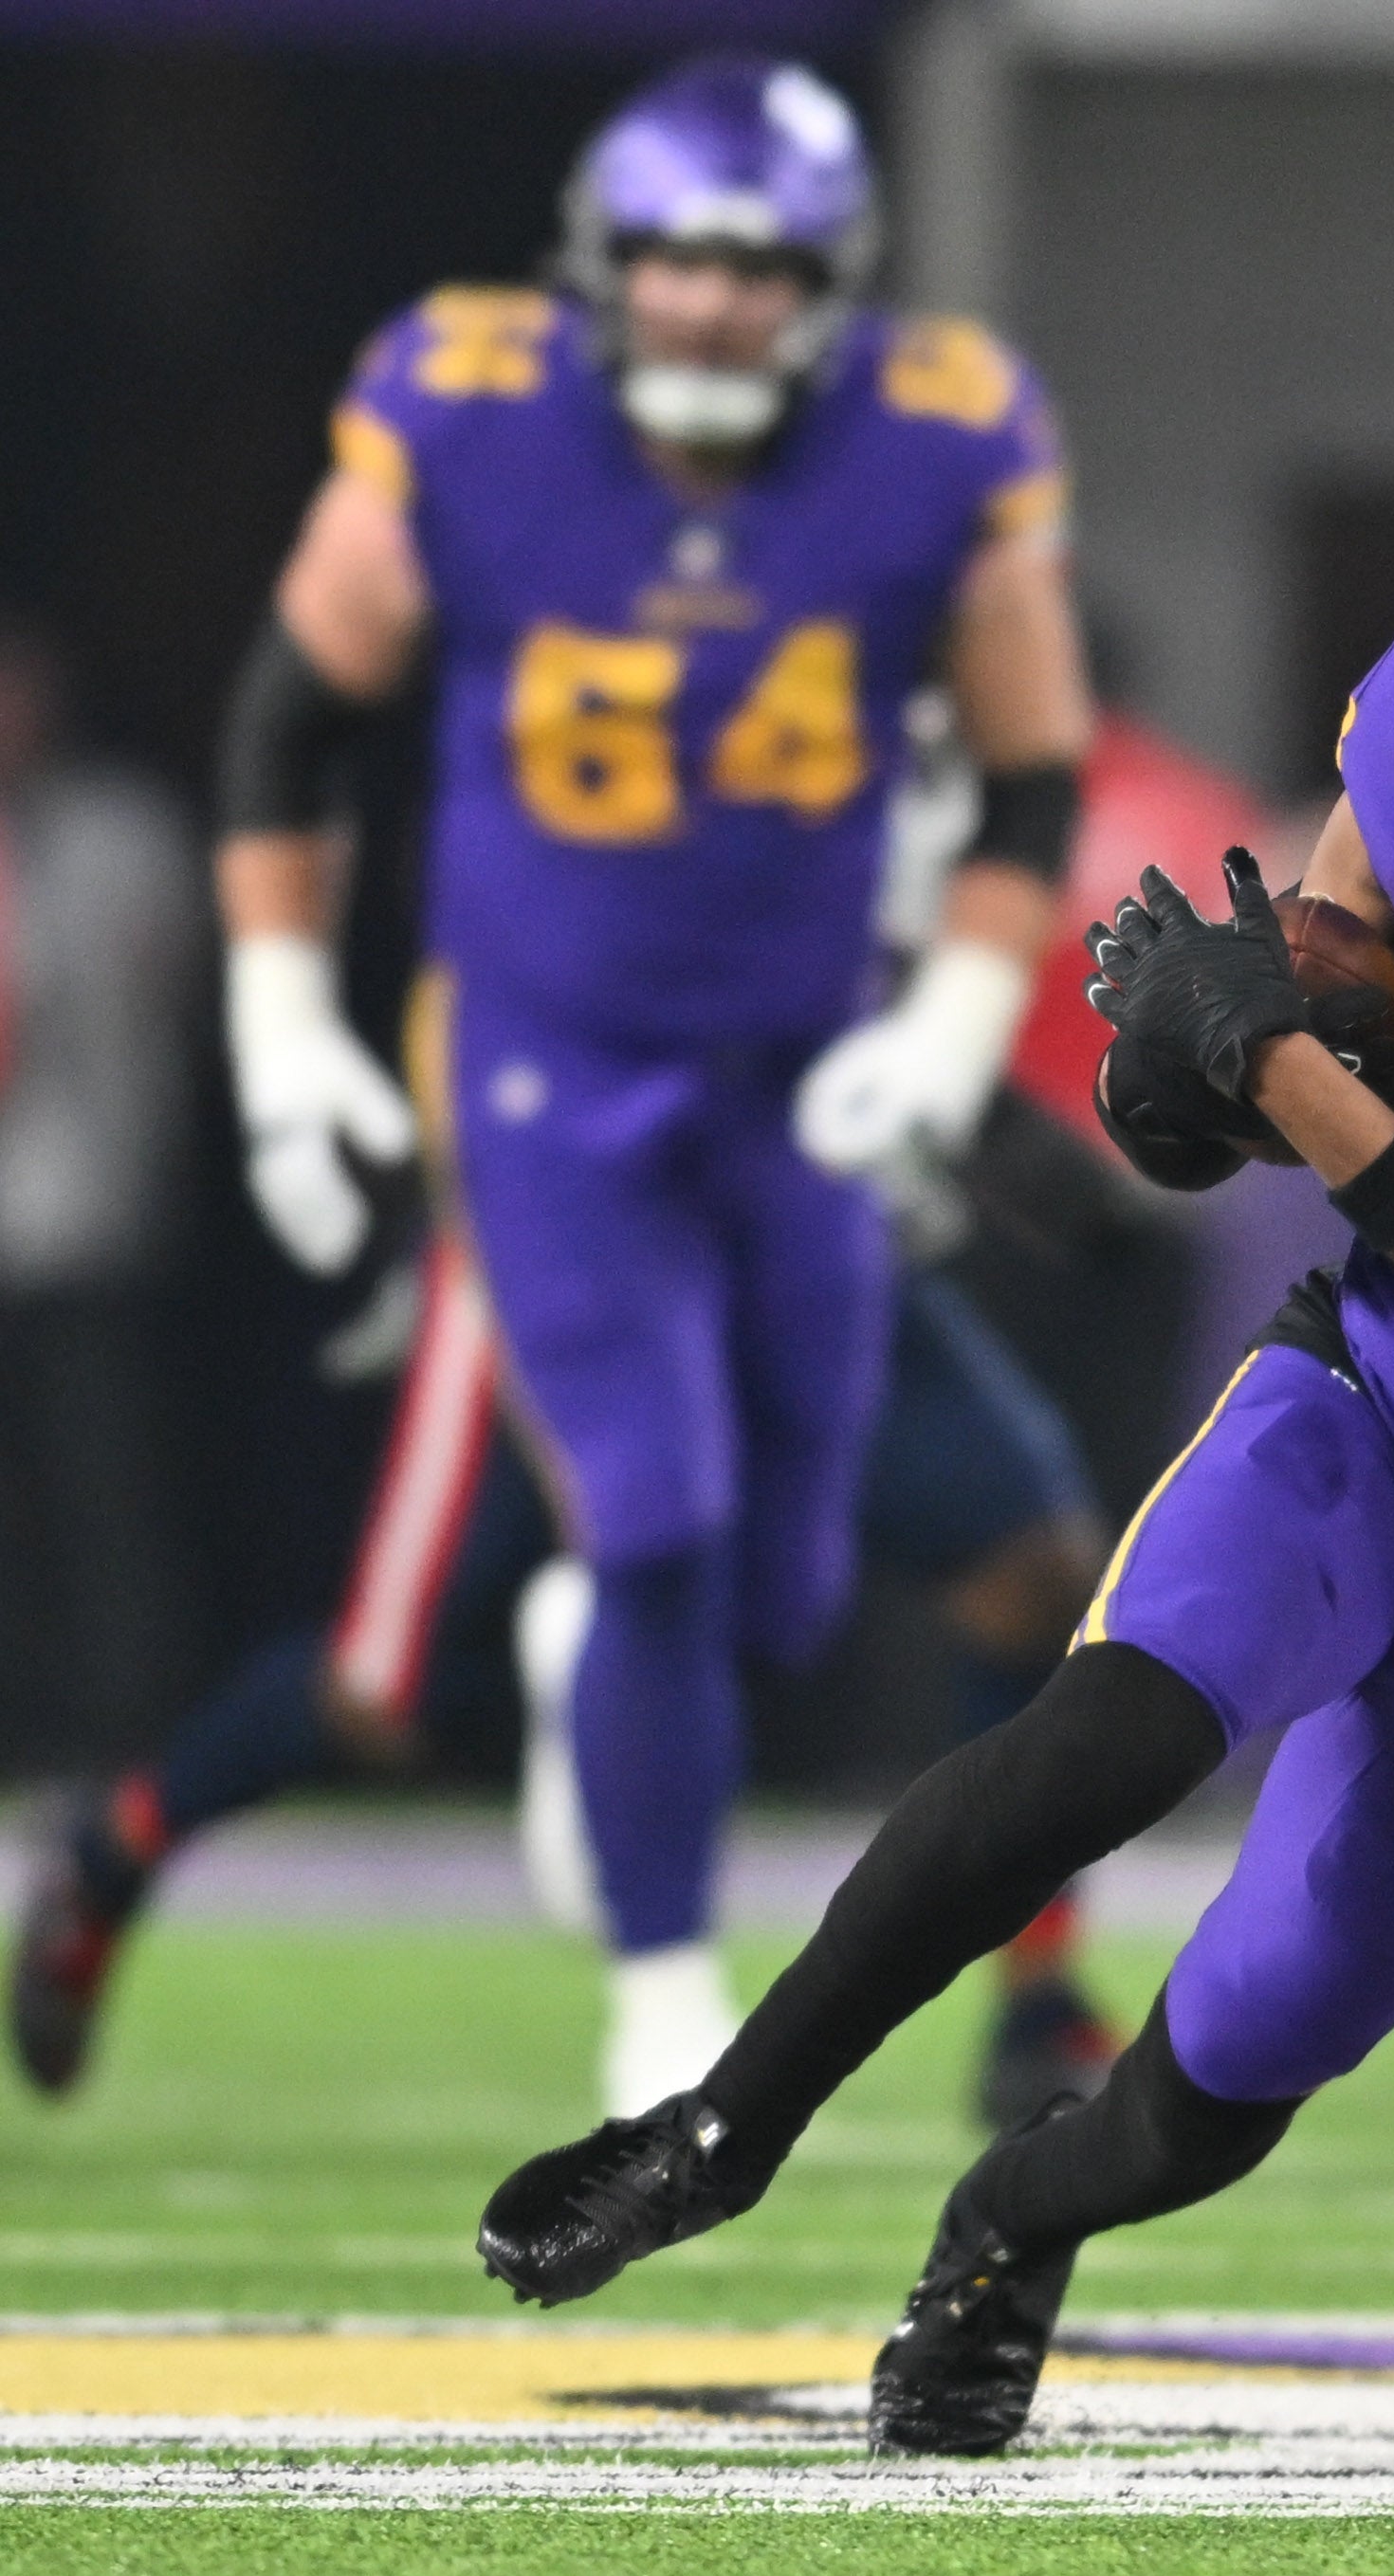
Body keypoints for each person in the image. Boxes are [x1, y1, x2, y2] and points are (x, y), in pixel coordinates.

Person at [470, 326, 1394, 2458]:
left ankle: (1014, 2217)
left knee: (1237, 2059)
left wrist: (1267, 1060)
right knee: (1097, 1736)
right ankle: (718, 2128)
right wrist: (1191, 1069)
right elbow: (1294, 1031)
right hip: (1366, 1393)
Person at [198, 55, 1091, 2114]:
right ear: (605, 268)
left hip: (793, 1074)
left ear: (830, 286)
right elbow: (291, 722)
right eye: (677, 261)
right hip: (550, 1070)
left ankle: (593, 1677)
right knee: (663, 1523)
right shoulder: (468, 401)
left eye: (757, 266)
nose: (707, 304)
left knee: (784, 1584)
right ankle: (661, 1988)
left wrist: (953, 1027)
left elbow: (1030, 766)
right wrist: (278, 1020)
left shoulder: (935, 436)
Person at [8, 1220, 1119, 2130]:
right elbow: (462, 1013)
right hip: (565, 1232)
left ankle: (1037, 1996)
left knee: (1033, 1571)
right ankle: (119, 1845)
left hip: (789, 1228)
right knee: (386, 1689)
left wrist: (950, 1058)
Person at [0, 611, 203, 1774]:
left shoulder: (120, 835)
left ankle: (123, 1733)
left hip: (83, 1213)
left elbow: (167, 1001)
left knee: (107, 1497)